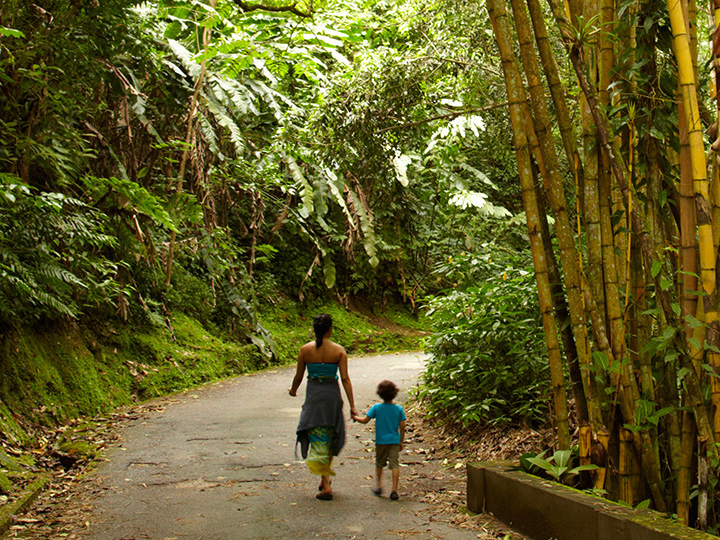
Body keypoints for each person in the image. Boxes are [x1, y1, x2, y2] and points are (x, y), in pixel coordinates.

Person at [289, 314, 357, 501]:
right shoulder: (339, 351)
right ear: (330, 329)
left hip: (314, 396)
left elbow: (299, 376)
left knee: (317, 433)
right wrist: (352, 405)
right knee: (329, 433)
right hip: (332, 396)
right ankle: (324, 477)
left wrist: (293, 391)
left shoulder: (305, 350)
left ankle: (325, 482)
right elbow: (345, 379)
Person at [352, 380, 406, 500]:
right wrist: (401, 441)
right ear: (394, 393)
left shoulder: (377, 407)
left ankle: (379, 485)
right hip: (394, 441)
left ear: (380, 393)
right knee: (395, 464)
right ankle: (394, 490)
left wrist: (355, 417)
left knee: (380, 464)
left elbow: (365, 420)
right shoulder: (399, 409)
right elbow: (402, 426)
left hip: (381, 441)